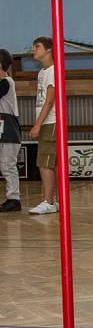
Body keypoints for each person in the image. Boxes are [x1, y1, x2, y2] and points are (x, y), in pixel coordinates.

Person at [28, 36, 58, 214]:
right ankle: (52, 200)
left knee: (45, 163)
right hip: (45, 121)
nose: (33, 49)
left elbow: (49, 100)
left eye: (37, 46)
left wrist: (38, 124)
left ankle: (48, 201)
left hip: (50, 121)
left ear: (48, 49)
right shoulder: (42, 72)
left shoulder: (54, 70)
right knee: (47, 162)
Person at [0, 49, 22, 212]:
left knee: (8, 165)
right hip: (3, 129)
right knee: (5, 165)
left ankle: (14, 198)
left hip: (8, 129)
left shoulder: (7, 82)